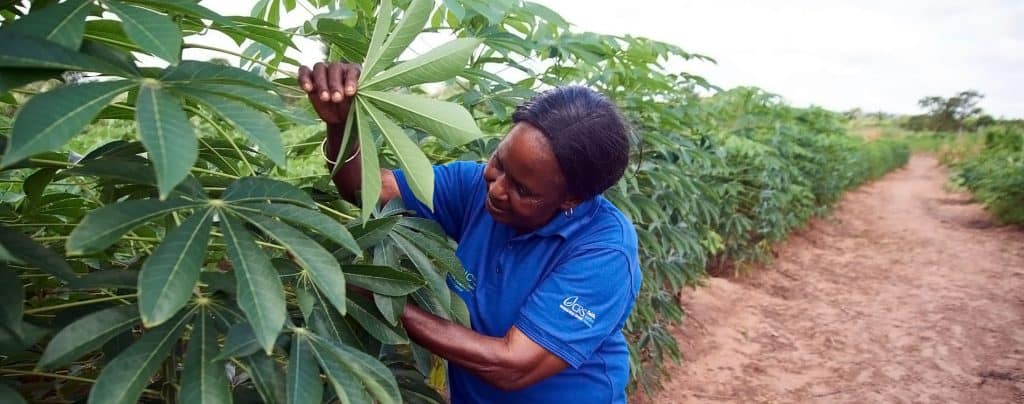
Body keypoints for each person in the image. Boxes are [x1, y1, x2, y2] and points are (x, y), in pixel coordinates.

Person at [298, 62, 642, 403]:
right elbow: (367, 190)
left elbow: (512, 366)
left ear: (572, 199)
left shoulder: (605, 252)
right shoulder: (474, 186)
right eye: (499, 163)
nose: (496, 189)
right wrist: (340, 126)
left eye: (523, 190)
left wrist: (381, 294)